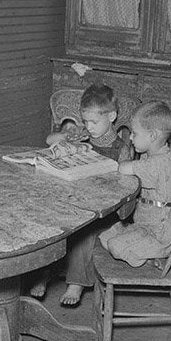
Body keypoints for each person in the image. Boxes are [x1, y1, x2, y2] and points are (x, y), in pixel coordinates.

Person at [31, 84, 133, 306]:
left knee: (84, 231)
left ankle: (76, 283)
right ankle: (42, 274)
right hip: (75, 200)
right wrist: (70, 135)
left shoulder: (121, 148)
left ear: (112, 116)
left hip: (104, 209)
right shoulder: (85, 137)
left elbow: (127, 184)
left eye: (94, 122)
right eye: (86, 121)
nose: (90, 127)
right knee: (49, 220)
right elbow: (50, 140)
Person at [98, 100, 171, 267]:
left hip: (159, 234)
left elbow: (124, 168)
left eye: (135, 134)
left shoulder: (158, 164)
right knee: (105, 236)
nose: (131, 137)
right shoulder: (151, 156)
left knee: (114, 245)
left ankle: (151, 259)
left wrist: (122, 160)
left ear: (152, 136)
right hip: (145, 225)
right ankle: (142, 254)